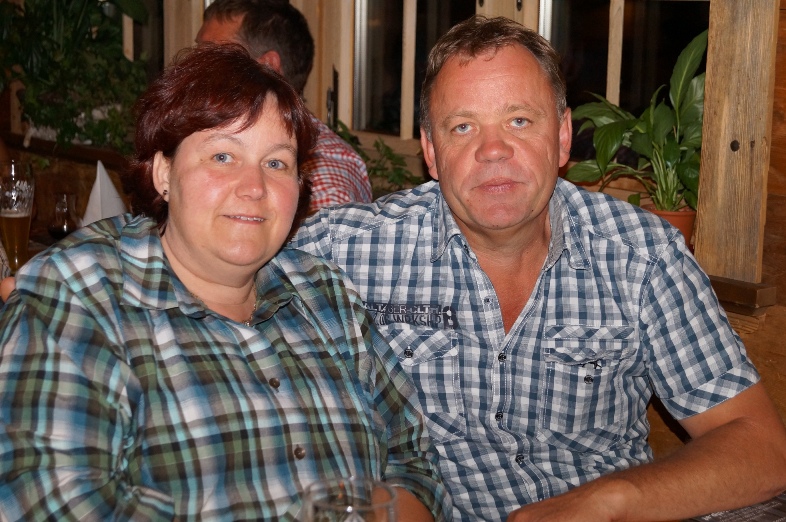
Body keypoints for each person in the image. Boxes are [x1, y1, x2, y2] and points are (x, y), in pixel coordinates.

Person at [289, 15, 786, 522]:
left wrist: (607, 501)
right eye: (463, 127)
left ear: (564, 136)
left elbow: (760, 445)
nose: (493, 150)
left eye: (520, 121)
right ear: (432, 152)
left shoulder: (642, 255)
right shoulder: (343, 250)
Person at [0, 43, 450, 521]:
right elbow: (47, 499)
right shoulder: (77, 294)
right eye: (222, 156)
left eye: (276, 163)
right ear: (164, 172)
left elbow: (413, 461)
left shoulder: (326, 294)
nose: (254, 187)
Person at [197, 0, 373, 213]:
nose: (194, 68)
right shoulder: (197, 140)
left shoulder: (324, 182)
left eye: (211, 56)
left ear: (267, 68)